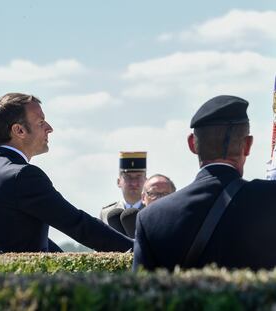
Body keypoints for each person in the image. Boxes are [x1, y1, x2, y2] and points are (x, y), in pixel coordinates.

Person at [0, 93, 133, 254]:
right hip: (24, 282)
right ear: (19, 131)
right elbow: (77, 224)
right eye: (41, 122)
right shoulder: (23, 175)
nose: (49, 128)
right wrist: (140, 251)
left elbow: (18, 237)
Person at [133, 95, 276, 271]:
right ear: (247, 145)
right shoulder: (270, 200)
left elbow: (141, 292)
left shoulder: (151, 218)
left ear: (192, 144)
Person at [100, 152, 146, 235]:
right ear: (118, 182)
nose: (134, 183)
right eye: (128, 177)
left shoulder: (152, 210)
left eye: (138, 177)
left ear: (146, 181)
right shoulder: (107, 213)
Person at [120, 174, 176, 238]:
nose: (159, 198)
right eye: (153, 193)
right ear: (143, 198)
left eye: (165, 194)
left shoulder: (183, 223)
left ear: (174, 196)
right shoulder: (133, 225)